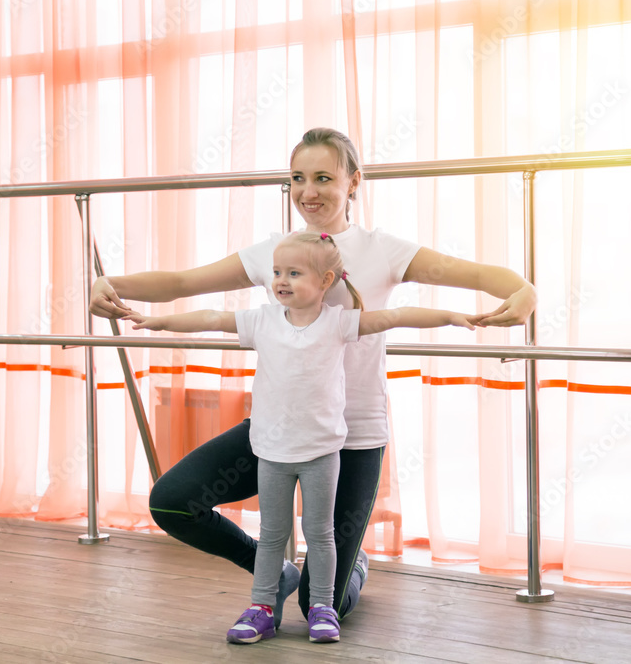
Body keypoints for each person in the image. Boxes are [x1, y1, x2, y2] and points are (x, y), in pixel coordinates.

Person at [90, 127, 536, 634]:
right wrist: (113, 283)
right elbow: (183, 283)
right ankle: (275, 571)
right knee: (172, 501)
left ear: (354, 183)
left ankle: (354, 563)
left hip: (354, 437)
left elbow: (476, 275)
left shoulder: (382, 249)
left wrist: (523, 290)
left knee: (323, 604)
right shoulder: (276, 253)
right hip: (278, 432)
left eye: (324, 177)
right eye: (298, 178)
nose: (309, 191)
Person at [121, 231, 482, 644]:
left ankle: (322, 606)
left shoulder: (339, 323)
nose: (281, 280)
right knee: (273, 535)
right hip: (272, 453)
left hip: (322, 453)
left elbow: (395, 317)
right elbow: (210, 319)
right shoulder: (262, 320)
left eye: (294, 273)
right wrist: (159, 321)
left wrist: (452, 316)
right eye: (277, 272)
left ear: (326, 281)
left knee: (320, 533)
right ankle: (261, 607)